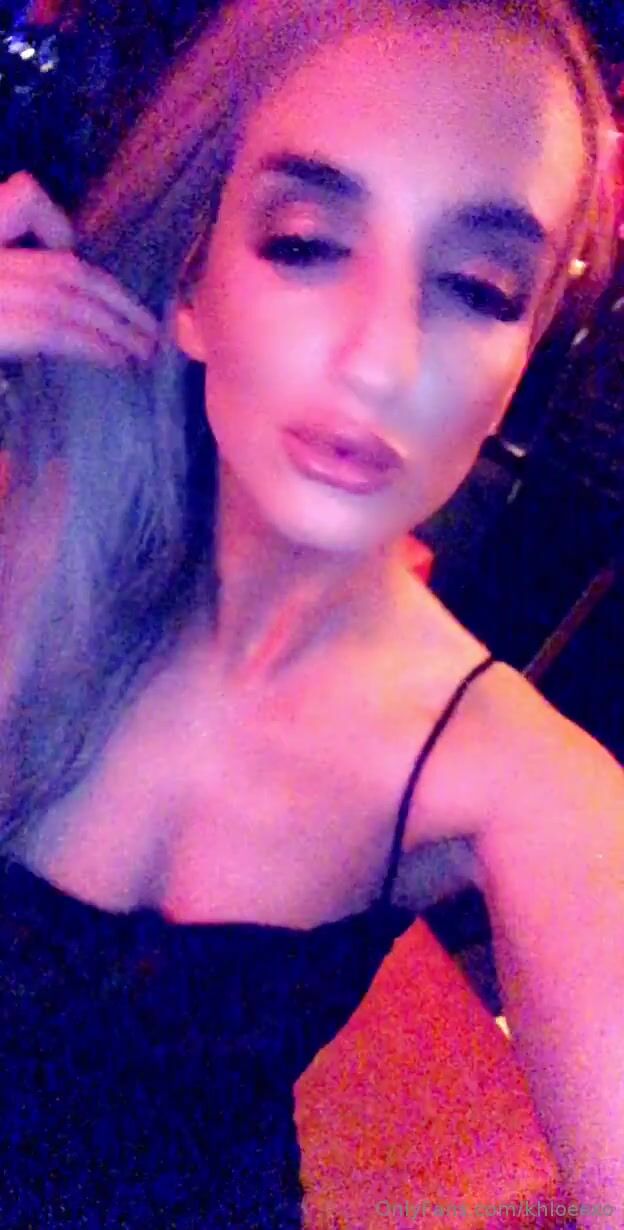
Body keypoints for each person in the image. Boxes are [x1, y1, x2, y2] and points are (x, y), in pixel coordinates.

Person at [0, 1, 623, 1226]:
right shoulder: (23, 517)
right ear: (193, 282)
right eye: (305, 242)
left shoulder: (522, 781)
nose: (383, 359)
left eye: (478, 286)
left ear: (525, 358)